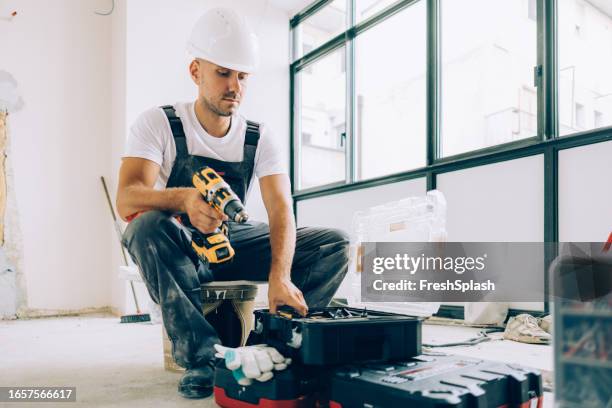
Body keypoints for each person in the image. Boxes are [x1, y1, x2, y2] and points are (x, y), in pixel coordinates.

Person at [116, 7, 349, 399]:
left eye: (242, 76)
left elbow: (280, 211)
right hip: (179, 245)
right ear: (196, 72)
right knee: (145, 227)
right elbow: (127, 197)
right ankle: (203, 358)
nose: (234, 86)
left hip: (233, 238)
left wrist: (281, 275)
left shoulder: (259, 137)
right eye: (223, 72)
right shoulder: (159, 123)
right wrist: (185, 199)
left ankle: (278, 343)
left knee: (334, 243)